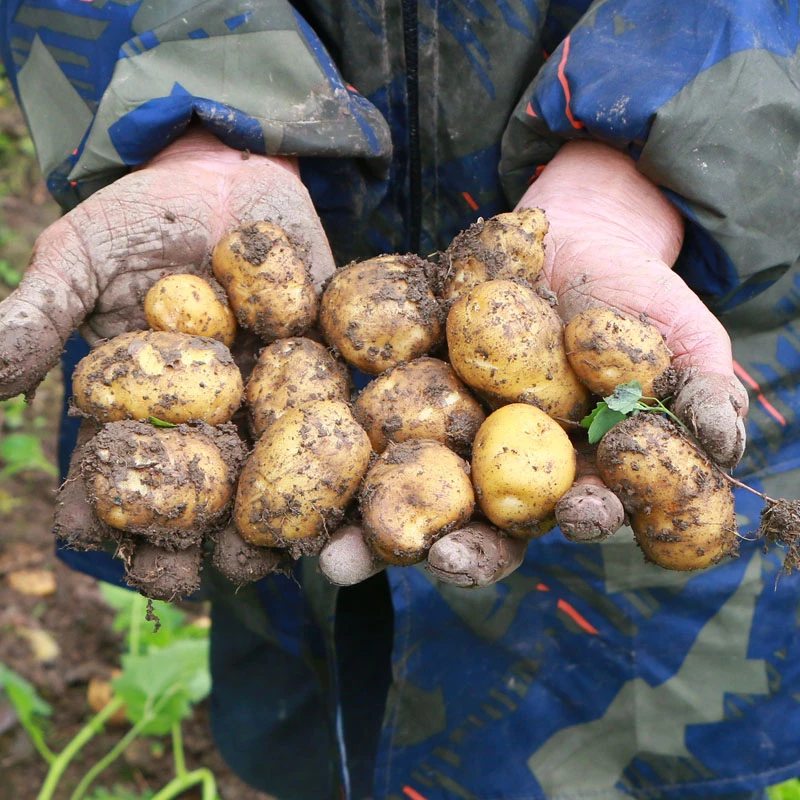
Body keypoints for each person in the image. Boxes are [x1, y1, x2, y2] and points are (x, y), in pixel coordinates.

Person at [1, 2, 798, 799]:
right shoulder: (289, 356)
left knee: (630, 727)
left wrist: (638, 167)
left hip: (698, 246)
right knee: (303, 691)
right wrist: (200, 116)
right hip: (302, 236)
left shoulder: (546, 344)